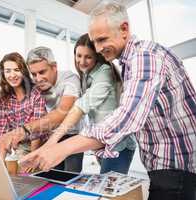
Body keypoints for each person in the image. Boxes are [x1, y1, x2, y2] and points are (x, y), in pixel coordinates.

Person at [20, 1, 196, 200]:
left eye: (102, 40)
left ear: (124, 29)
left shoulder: (145, 57)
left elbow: (125, 117)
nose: (98, 48)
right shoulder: (127, 64)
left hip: (176, 166)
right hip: (161, 165)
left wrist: (60, 148)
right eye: (95, 42)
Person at [29, 33, 136, 174]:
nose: (82, 61)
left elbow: (81, 106)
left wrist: (51, 142)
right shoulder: (86, 75)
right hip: (100, 142)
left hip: (118, 143)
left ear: (97, 56)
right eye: (78, 56)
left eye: (88, 57)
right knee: (104, 186)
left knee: (109, 190)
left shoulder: (105, 73)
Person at [0, 47, 83, 172]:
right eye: (34, 74)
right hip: (50, 135)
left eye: (42, 72)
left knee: (70, 175)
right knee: (54, 176)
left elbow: (62, 112)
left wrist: (23, 131)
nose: (38, 78)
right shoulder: (35, 87)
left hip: (71, 133)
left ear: (54, 67)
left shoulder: (69, 79)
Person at [0, 52, 46, 165]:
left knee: (29, 171)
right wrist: (0, 162)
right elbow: (2, 130)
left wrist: (32, 159)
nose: (12, 75)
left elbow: (37, 130)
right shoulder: (3, 97)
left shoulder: (35, 91)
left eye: (16, 70)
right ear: (3, 74)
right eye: (8, 71)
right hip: (21, 147)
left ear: (23, 71)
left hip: (40, 144)